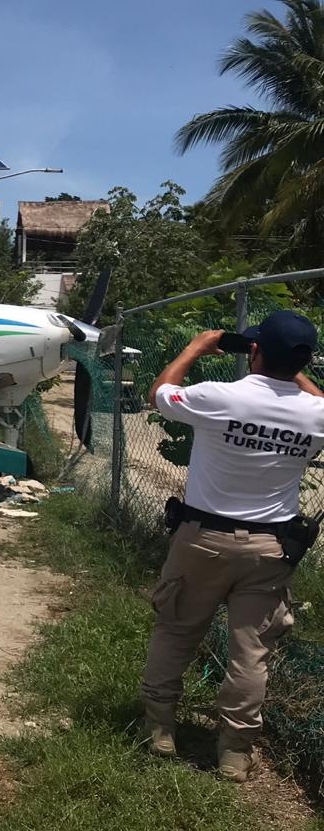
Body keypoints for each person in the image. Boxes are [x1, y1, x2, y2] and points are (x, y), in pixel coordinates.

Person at [140, 310, 324, 782]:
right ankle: (234, 753)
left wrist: (197, 347)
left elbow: (159, 393)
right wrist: (290, 368)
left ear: (254, 351)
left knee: (177, 630)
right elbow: (316, 400)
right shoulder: (316, 414)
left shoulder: (218, 397)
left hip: (202, 538)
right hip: (270, 549)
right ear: (302, 360)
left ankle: (160, 729)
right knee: (251, 651)